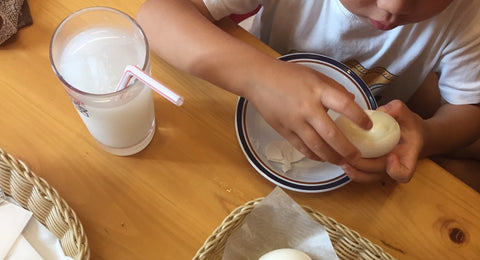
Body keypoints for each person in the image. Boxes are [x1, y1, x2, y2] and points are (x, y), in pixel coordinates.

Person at [137, 0, 480, 183]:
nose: (394, 6)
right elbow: (157, 14)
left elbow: (468, 109)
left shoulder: (469, 14)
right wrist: (258, 77)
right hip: (237, 129)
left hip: (350, 171)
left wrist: (426, 136)